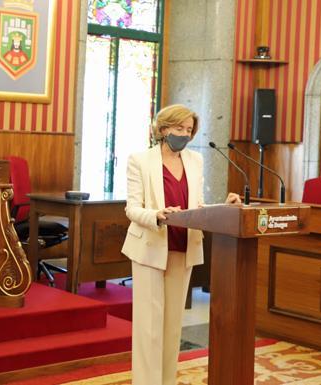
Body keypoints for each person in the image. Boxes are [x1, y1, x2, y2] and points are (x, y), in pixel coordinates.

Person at [121, 104, 240, 385]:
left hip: (182, 247)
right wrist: (157, 216)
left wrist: (224, 206)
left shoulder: (195, 161)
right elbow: (132, 208)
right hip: (150, 246)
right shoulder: (140, 160)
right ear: (163, 130)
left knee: (173, 325)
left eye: (189, 130)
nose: (184, 135)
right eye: (179, 129)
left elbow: (196, 207)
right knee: (149, 326)